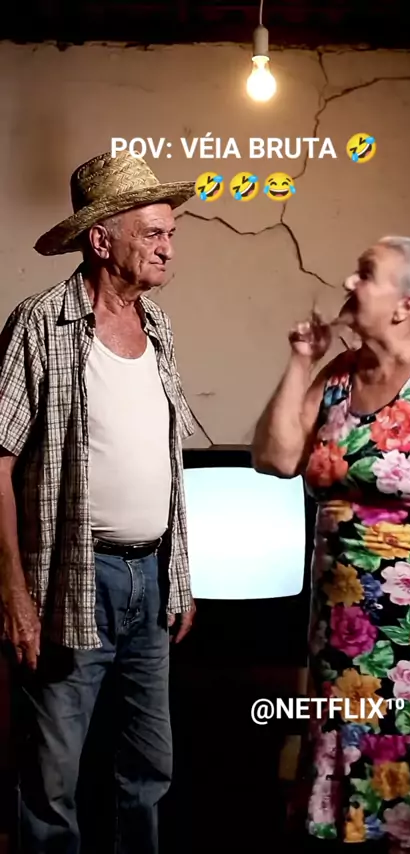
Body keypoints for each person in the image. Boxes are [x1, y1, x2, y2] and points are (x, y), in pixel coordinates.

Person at [252, 236, 410, 852]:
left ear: (407, 305)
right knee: (351, 799)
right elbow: (274, 458)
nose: (350, 283)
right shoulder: (338, 376)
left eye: (366, 274)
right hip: (341, 630)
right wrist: (301, 359)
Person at [0, 150, 197, 854]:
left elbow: (165, 463)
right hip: (71, 582)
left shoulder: (160, 327)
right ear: (101, 239)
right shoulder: (40, 324)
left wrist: (179, 578)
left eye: (171, 233)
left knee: (148, 768)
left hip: (151, 578)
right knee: (51, 776)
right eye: (153, 234)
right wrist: (14, 593)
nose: (168, 248)